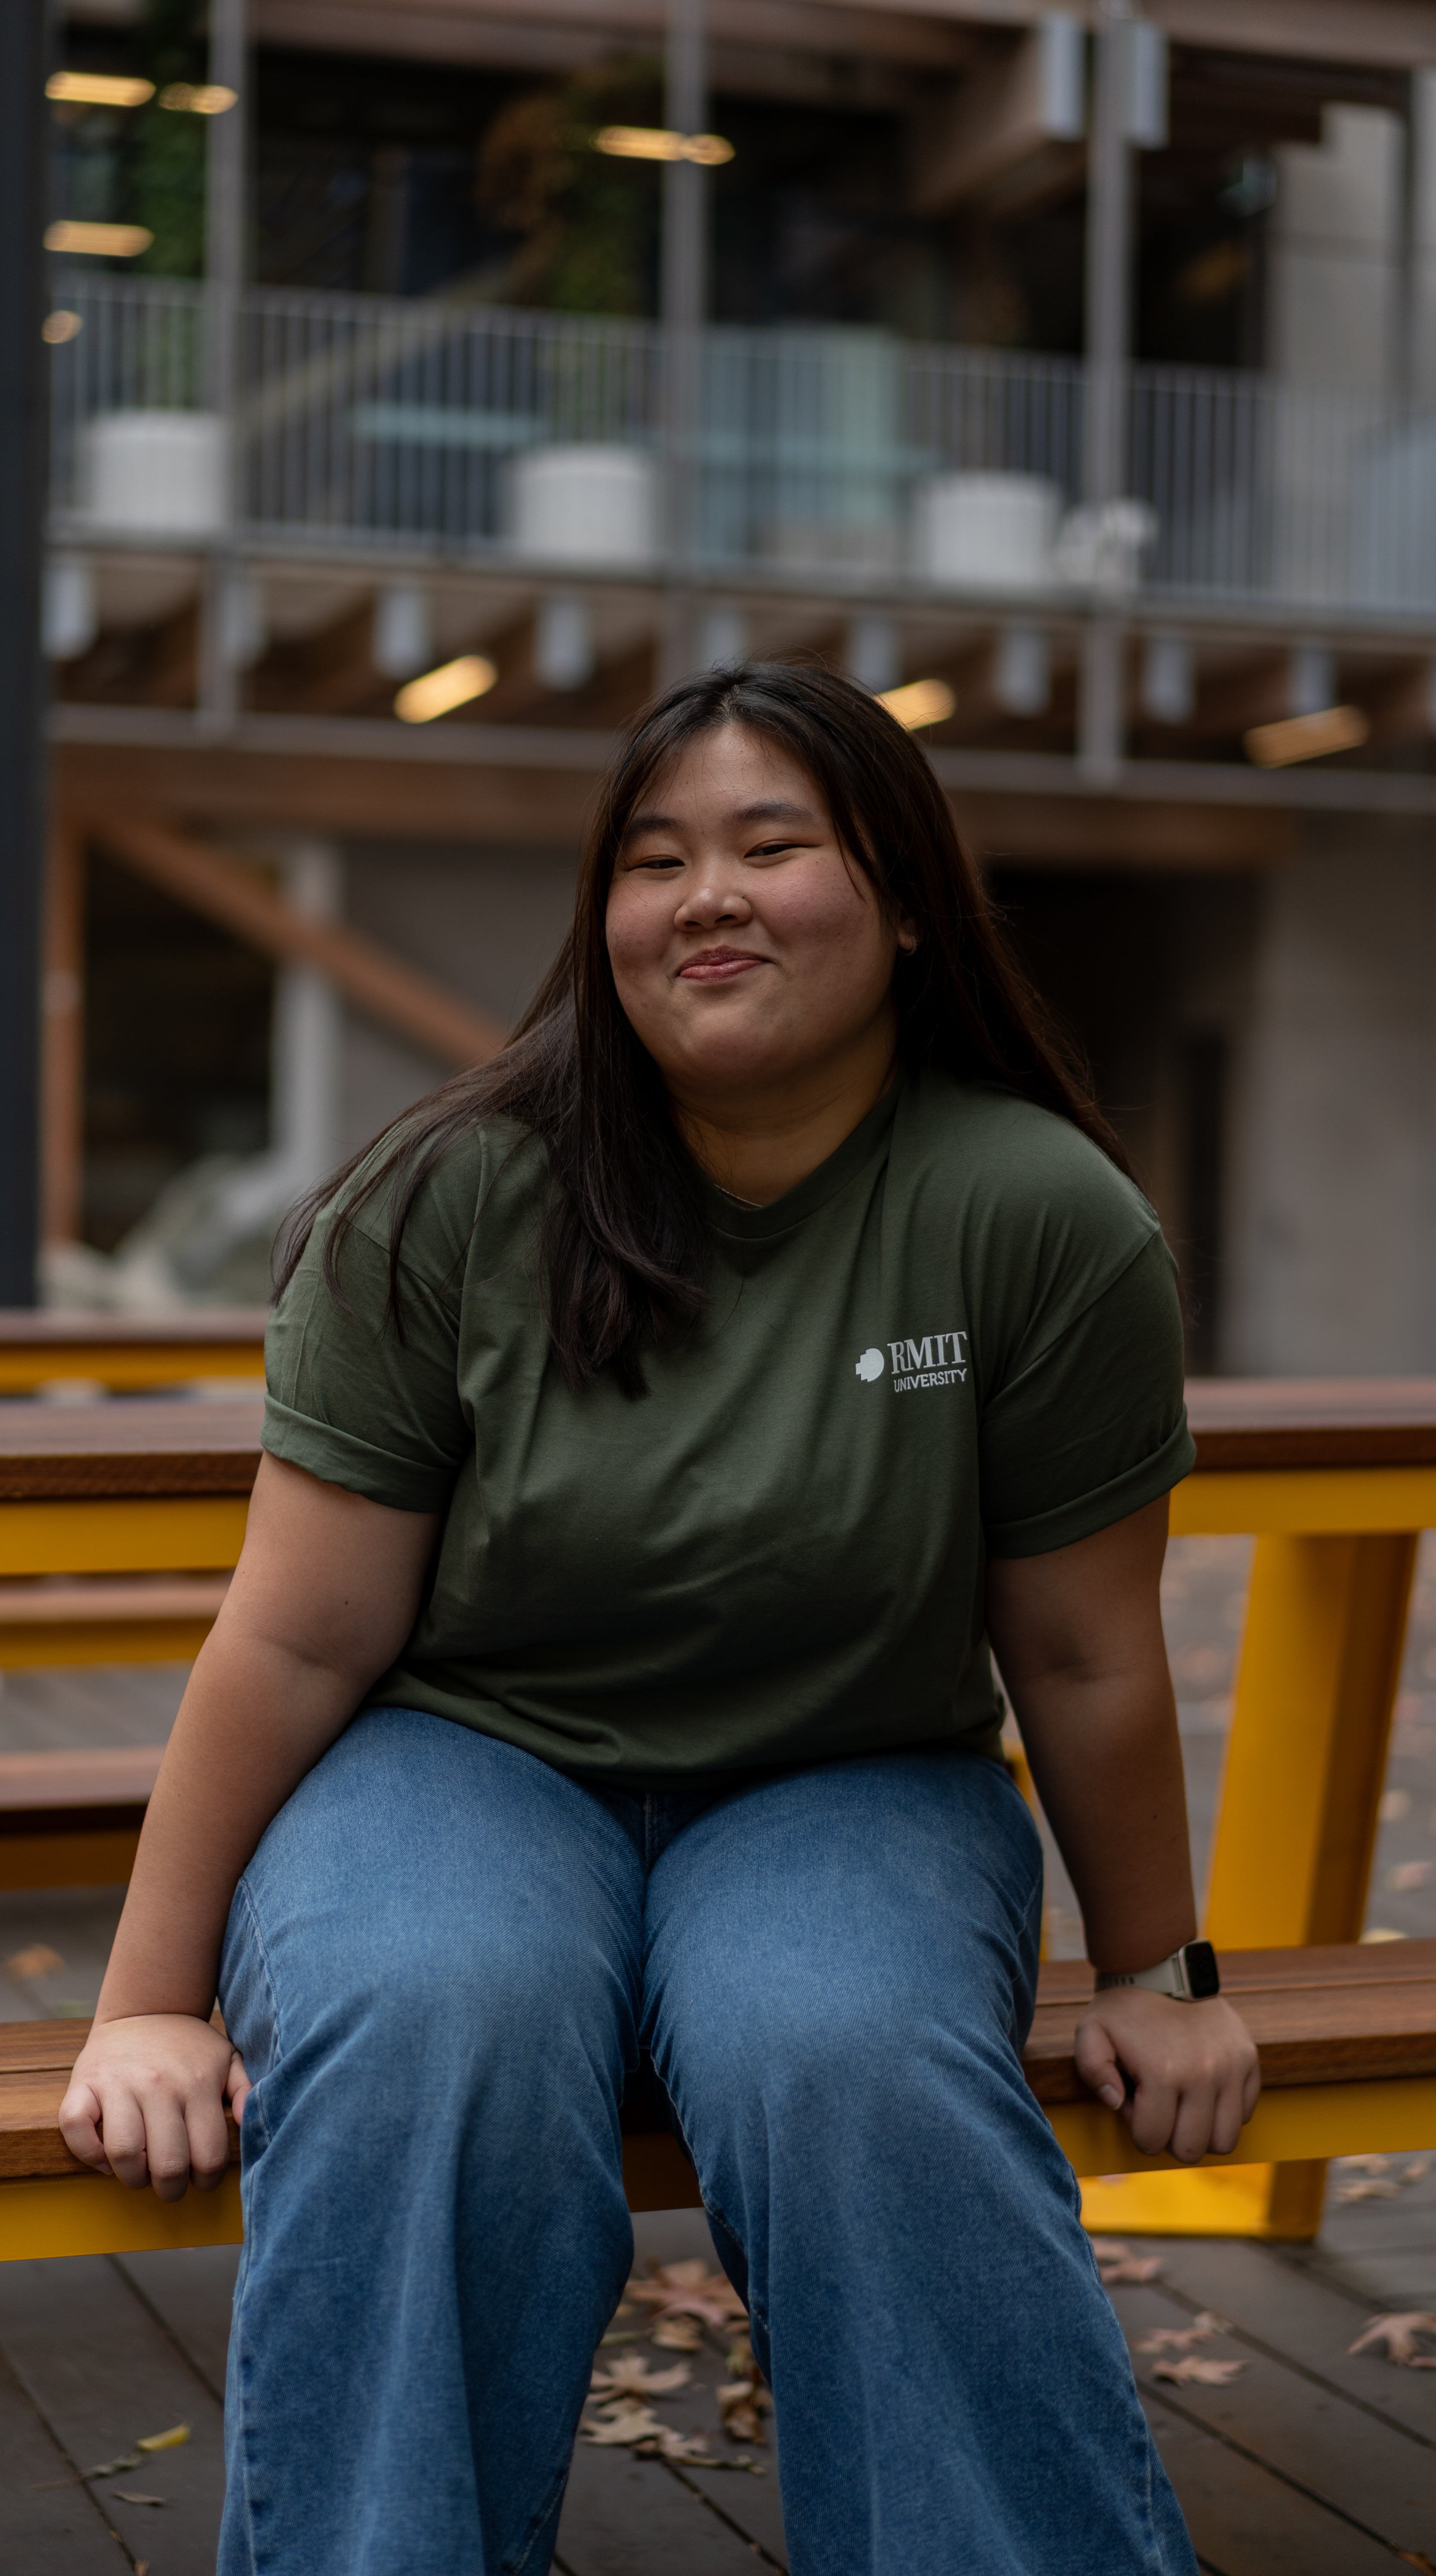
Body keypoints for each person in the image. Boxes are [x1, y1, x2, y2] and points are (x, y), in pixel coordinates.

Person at [61, 660, 1259, 2576]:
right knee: (432, 2016)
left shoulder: (1036, 1213)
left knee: (852, 2053)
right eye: (653, 858)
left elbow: (1091, 1651)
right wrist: (143, 2004)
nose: (703, 894)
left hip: (846, 1780)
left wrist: (1159, 1974)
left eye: (770, 845)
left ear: (906, 899)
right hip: (463, 1762)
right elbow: (291, 1642)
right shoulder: (448, 1195)